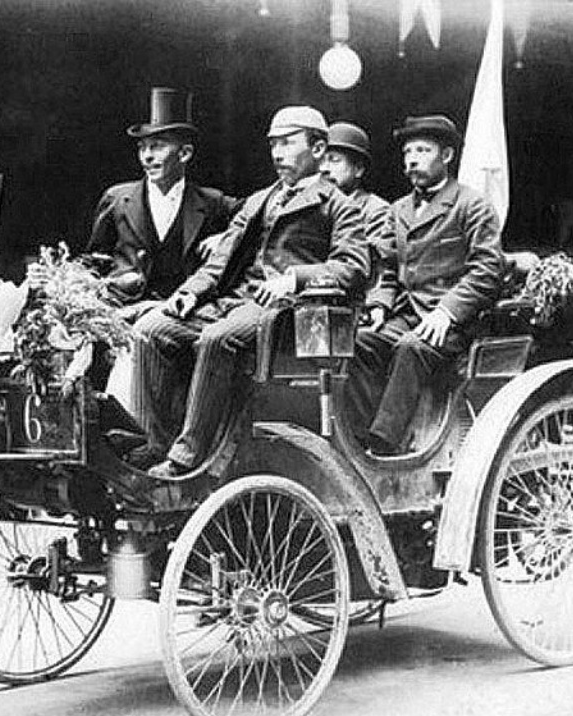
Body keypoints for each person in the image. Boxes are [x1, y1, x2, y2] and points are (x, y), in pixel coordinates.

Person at [133, 105, 370, 477]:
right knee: (151, 330)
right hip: (237, 301)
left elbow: (352, 268)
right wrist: (191, 293)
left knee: (218, 338)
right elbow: (220, 259)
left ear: (319, 149)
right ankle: (152, 446)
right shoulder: (260, 200)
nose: (277, 153)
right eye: (274, 144)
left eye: (288, 143)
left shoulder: (339, 206)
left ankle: (187, 457)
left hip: (288, 312)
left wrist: (292, 279)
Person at [345, 114, 504, 455]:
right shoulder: (399, 210)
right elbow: (387, 267)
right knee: (360, 342)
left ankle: (384, 448)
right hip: (407, 314)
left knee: (410, 347)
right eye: (407, 152)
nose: (412, 159)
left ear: (446, 156)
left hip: (455, 323)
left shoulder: (471, 205)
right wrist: (378, 304)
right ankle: (358, 444)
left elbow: (488, 269)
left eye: (422, 150)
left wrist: (447, 311)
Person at [27, 87, 237, 321]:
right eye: (142, 148)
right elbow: (94, 261)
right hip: (125, 312)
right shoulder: (117, 199)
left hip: (181, 316)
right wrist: (61, 276)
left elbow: (258, 215)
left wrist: (226, 237)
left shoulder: (212, 203)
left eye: (157, 146)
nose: (147, 156)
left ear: (185, 153)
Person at [319, 121, 395, 283]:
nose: (324, 168)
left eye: (334, 160)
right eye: (321, 161)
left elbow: (372, 271)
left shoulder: (376, 211)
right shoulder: (316, 206)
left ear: (358, 169)